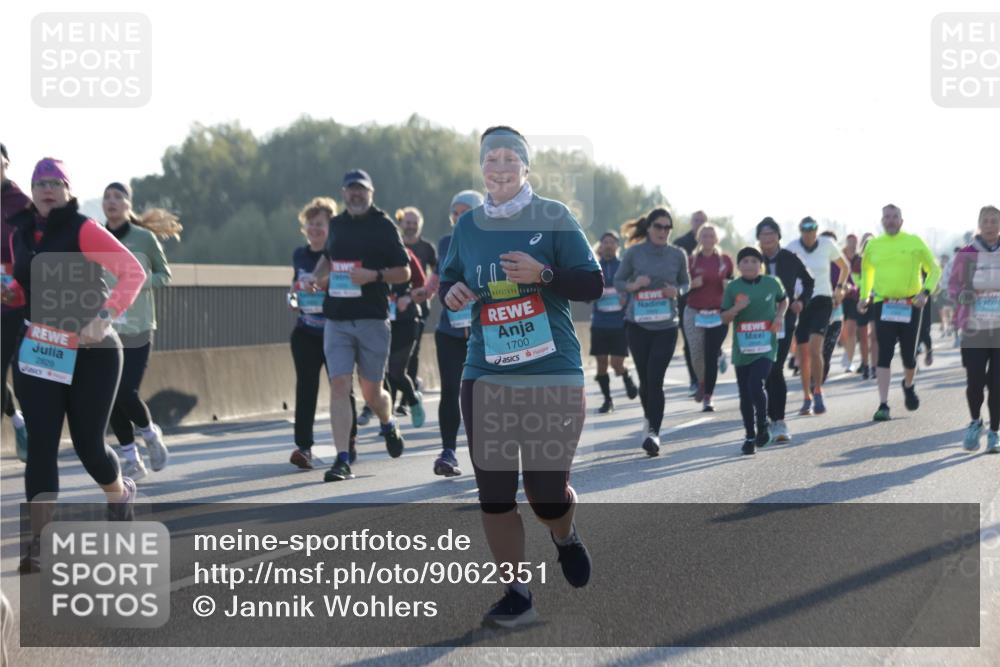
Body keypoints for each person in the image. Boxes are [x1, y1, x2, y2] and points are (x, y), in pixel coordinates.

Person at [439, 126, 601, 627]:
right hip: (486, 372)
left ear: (526, 167)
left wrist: (543, 274)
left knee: (546, 494)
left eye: (511, 158)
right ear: (482, 168)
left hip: (552, 371)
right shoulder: (468, 227)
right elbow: (450, 278)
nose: (501, 166)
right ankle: (517, 593)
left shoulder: (553, 216)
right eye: (492, 158)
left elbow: (593, 283)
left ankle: (563, 533)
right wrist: (452, 293)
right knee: (494, 492)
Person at [2, 158, 146, 572]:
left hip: (93, 352)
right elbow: (22, 290)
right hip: (41, 349)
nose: (47, 189)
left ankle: (119, 494)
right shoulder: (19, 234)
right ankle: (40, 542)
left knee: (88, 447)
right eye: (40, 183)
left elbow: (132, 273)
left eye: (55, 183)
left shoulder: (83, 228)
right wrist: (8, 292)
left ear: (67, 191)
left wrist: (104, 318)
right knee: (41, 447)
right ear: (31, 191)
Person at [307, 169, 411, 482]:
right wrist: (315, 276)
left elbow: (404, 271)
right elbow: (328, 257)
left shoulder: (383, 225)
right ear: (343, 193)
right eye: (351, 189)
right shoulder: (337, 225)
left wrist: (374, 276)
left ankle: (388, 422)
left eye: (361, 190)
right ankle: (342, 459)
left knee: (372, 393)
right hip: (337, 319)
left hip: (372, 319)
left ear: (370, 193)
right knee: (339, 385)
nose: (356, 194)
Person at [102, 181, 178, 480]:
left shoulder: (144, 239)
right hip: (105, 328)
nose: (112, 201)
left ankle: (149, 434)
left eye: (118, 196)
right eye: (107, 196)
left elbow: (164, 275)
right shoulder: (96, 236)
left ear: (128, 204)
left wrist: (139, 282)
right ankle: (131, 459)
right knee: (109, 397)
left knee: (125, 391)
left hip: (138, 327)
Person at [287, 197, 358, 469]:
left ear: (331, 229)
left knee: (341, 386)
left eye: (320, 224)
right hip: (306, 331)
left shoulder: (338, 254)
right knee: (306, 388)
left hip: (335, 331)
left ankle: (348, 440)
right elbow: (295, 284)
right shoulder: (299, 254)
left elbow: (346, 285)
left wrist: (321, 285)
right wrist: (294, 295)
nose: (315, 229)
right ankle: (303, 447)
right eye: (311, 224)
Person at [615, 208, 690, 456]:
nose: (663, 231)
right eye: (658, 226)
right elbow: (618, 281)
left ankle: (654, 434)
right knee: (645, 381)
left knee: (655, 378)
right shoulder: (634, 253)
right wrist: (634, 285)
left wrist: (676, 291)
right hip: (638, 325)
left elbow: (686, 282)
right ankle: (649, 420)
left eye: (667, 227)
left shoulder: (677, 254)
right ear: (648, 228)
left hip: (666, 326)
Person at [857, 204, 941, 421]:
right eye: (887, 217)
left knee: (908, 357)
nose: (891, 220)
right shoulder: (873, 245)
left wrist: (925, 292)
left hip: (910, 304)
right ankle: (883, 404)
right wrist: (864, 296)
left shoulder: (914, 241)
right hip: (883, 304)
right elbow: (867, 272)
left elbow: (934, 269)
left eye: (895, 217)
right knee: (884, 353)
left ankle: (908, 384)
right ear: (882, 221)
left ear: (901, 221)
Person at [430, 190, 484, 477]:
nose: (459, 218)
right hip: (450, 329)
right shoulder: (446, 242)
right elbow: (444, 279)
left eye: (466, 212)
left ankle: (493, 453)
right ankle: (448, 452)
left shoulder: (491, 240)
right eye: (455, 213)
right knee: (450, 390)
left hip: (484, 330)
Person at [722, 247, 788, 455]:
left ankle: (762, 424)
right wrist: (737, 308)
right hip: (742, 349)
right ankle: (750, 436)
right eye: (745, 261)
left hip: (766, 347)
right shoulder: (733, 287)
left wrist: (779, 316)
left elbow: (784, 300)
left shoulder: (772, 283)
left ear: (761, 265)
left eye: (754, 261)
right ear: (739, 265)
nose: (749, 265)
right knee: (744, 394)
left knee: (755, 384)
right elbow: (724, 318)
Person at [757, 217, 814, 443]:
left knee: (776, 367)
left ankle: (779, 420)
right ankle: (764, 420)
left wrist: (802, 301)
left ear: (778, 236)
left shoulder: (790, 258)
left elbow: (809, 281)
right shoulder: (753, 259)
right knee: (763, 370)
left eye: (771, 233)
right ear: (758, 238)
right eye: (764, 234)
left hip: (785, 320)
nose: (768, 238)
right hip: (758, 323)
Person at [785, 217, 849, 415]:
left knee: (815, 348)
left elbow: (844, 267)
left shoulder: (827, 244)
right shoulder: (792, 248)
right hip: (801, 302)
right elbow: (781, 272)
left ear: (816, 230)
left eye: (812, 229)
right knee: (803, 354)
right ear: (800, 231)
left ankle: (818, 391)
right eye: (805, 229)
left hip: (822, 300)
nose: (809, 233)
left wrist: (839, 288)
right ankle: (806, 397)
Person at [950, 205, 1000, 453]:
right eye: (986, 221)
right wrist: (964, 295)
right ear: (980, 224)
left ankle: (994, 432)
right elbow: (953, 286)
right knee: (975, 382)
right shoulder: (967, 254)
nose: (990, 225)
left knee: (997, 384)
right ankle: (975, 421)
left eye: (994, 221)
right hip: (974, 328)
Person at [682, 223, 733, 412]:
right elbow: (680, 286)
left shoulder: (725, 260)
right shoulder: (691, 261)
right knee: (696, 353)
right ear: (699, 239)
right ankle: (702, 381)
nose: (708, 239)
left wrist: (729, 285)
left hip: (718, 312)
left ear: (717, 239)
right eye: (704, 236)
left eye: (711, 236)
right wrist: (691, 285)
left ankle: (708, 396)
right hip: (694, 311)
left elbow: (733, 282)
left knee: (710, 354)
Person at [0, 143, 30, 462]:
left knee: (19, 374)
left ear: (6, 162)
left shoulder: (21, 204)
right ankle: (19, 423)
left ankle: (27, 426)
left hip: (15, 302)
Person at [590, 230, 638, 414]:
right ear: (601, 246)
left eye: (612, 242)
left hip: (620, 323)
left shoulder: (624, 267)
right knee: (601, 364)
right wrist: (592, 294)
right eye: (605, 242)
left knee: (616, 364)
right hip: (599, 323)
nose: (608, 245)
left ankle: (625, 375)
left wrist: (627, 298)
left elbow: (634, 290)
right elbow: (585, 293)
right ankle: (607, 400)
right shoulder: (593, 267)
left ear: (617, 246)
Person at [383, 244, 428, 426]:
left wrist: (408, 297)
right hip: (379, 321)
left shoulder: (406, 254)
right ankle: (388, 419)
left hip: (406, 320)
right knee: (385, 373)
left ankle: (413, 401)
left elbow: (422, 285)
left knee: (396, 370)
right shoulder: (368, 254)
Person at [397, 206, 437, 400]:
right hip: (394, 307)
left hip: (419, 307)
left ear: (419, 226)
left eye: (414, 223)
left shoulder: (427, 248)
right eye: (408, 223)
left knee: (413, 352)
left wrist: (427, 292)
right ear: (401, 224)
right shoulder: (393, 245)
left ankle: (407, 399)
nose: (411, 226)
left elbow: (437, 274)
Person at [673, 210, 707, 396]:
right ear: (691, 222)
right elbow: (674, 273)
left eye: (702, 220)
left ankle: (709, 371)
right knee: (690, 341)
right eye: (696, 220)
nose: (699, 223)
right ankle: (695, 379)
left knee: (709, 342)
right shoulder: (680, 244)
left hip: (710, 302)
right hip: (687, 301)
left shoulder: (711, 242)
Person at [819, 231, 846, 384]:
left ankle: (818, 383)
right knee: (814, 351)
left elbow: (850, 285)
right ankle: (814, 383)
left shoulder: (840, 264)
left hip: (835, 316)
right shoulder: (812, 263)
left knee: (826, 353)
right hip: (815, 315)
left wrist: (841, 291)